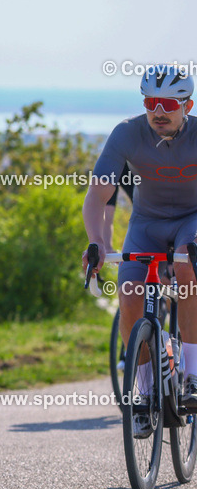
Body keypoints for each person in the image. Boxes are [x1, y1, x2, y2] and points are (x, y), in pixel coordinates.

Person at [83, 65, 197, 438]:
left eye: (169, 104)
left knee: (187, 267)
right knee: (129, 296)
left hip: (192, 221)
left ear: (187, 105)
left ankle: (193, 376)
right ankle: (145, 392)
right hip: (146, 224)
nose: (158, 111)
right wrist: (97, 242)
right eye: (151, 102)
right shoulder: (127, 133)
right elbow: (98, 195)